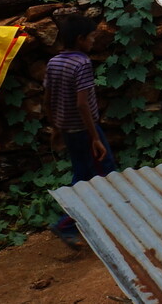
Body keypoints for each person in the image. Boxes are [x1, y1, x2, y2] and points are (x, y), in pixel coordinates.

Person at [43, 12, 116, 245]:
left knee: (82, 171)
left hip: (68, 129)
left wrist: (55, 125)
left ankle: (85, 220)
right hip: (85, 130)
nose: (94, 41)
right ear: (80, 39)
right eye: (92, 37)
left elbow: (47, 99)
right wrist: (95, 137)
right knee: (100, 172)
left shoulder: (54, 62)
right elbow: (82, 103)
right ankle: (66, 223)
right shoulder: (82, 63)